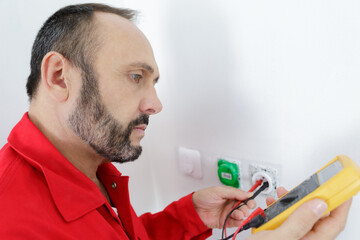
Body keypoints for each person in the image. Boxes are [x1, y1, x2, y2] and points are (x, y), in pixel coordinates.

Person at [0, 3, 351, 240]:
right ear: (60, 76)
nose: (155, 104)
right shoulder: (10, 219)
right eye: (136, 76)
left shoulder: (89, 168)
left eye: (154, 83)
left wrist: (189, 216)